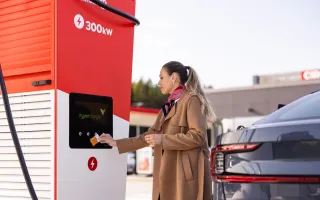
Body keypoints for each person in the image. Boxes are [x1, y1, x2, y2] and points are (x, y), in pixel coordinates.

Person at [99, 61, 216, 200]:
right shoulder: (167, 107)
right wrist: (116, 143)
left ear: (174, 77)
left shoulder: (192, 100)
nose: (158, 83)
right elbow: (148, 136)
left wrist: (162, 139)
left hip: (184, 178)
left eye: (161, 77)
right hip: (166, 173)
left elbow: (198, 136)